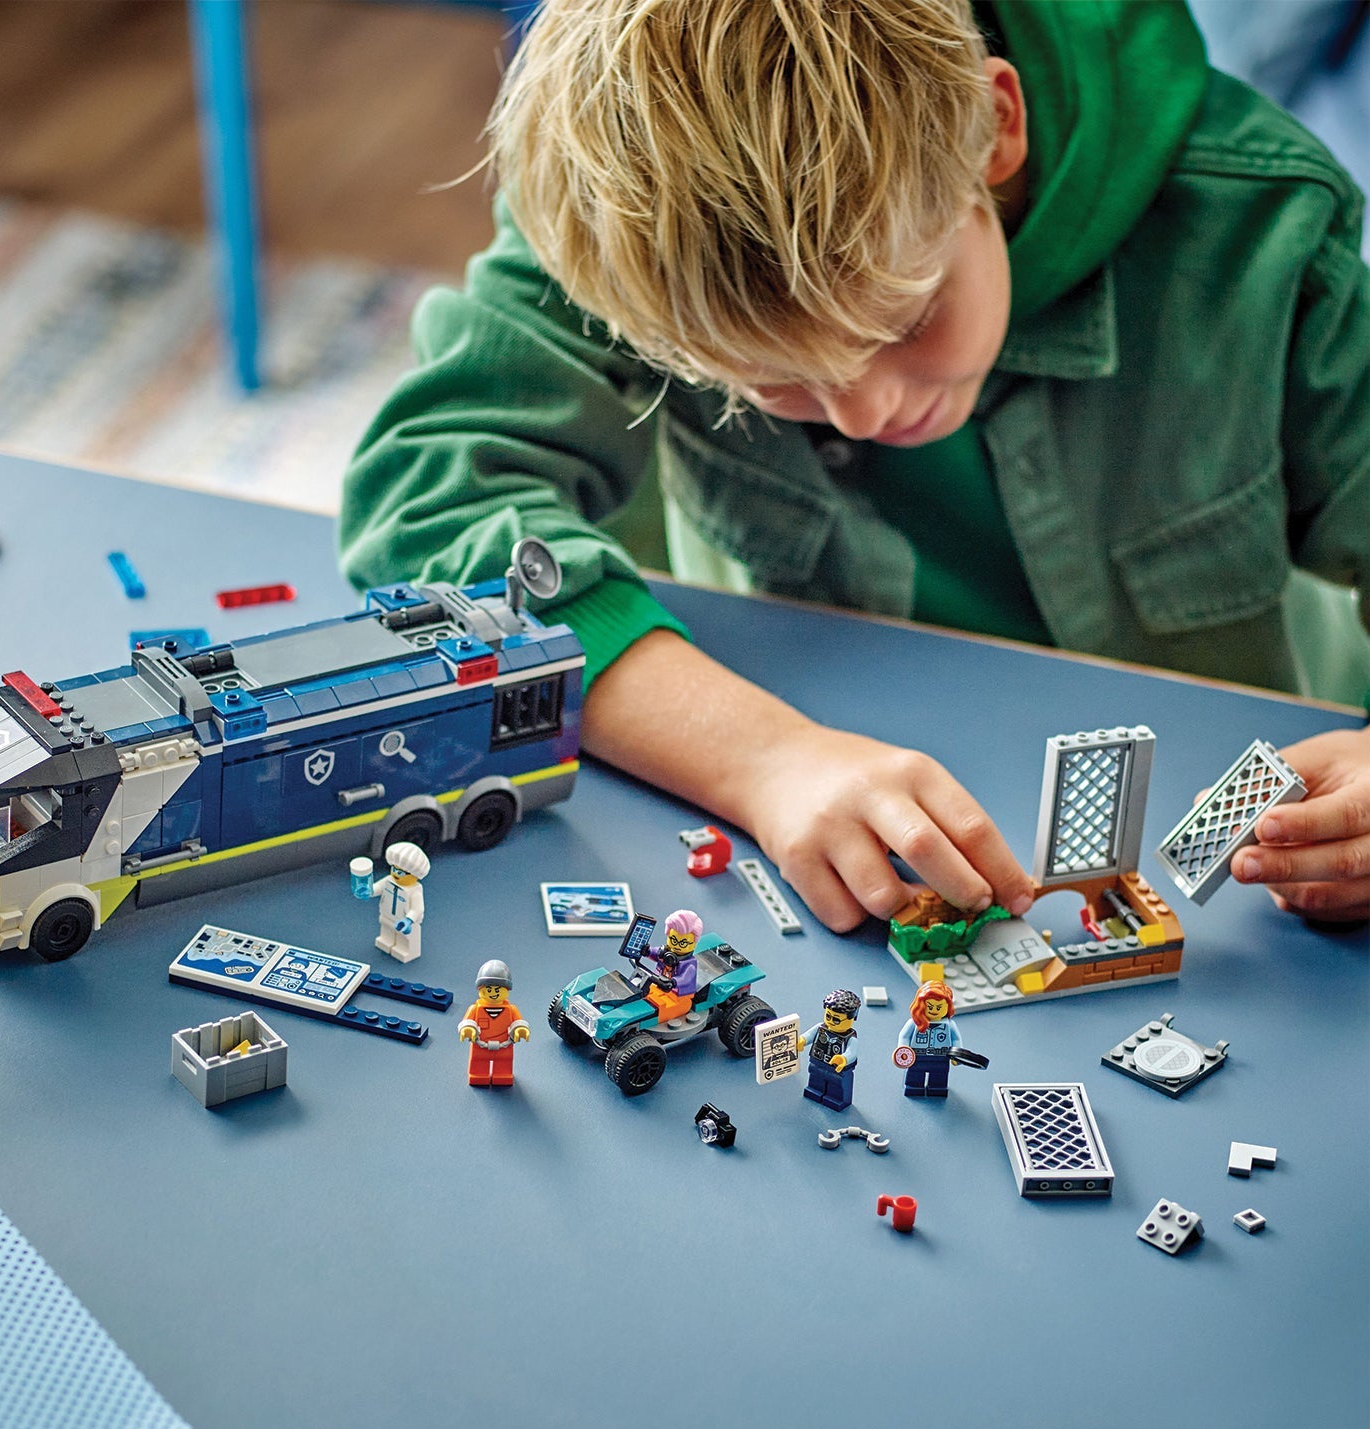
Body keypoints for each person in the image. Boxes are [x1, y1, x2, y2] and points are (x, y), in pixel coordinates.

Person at [341, 0, 1370, 929]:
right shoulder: (630, 218)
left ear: (996, 126)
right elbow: (425, 500)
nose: (866, 411)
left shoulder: (1261, 225)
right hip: (808, 804)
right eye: (772, 381)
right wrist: (763, 759)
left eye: (909, 321)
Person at [460, 958, 530, 1087]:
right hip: (480, 1045)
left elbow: (519, 1021)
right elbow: (467, 1021)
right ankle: (479, 1075)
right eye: (489, 989)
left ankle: (502, 1075)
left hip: (504, 1045)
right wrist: (468, 1028)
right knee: (479, 1063)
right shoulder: (474, 1009)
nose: (493, 993)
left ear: (506, 990)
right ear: (480, 989)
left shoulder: (511, 1010)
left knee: (504, 1063)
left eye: (498, 990)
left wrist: (520, 1029)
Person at [798, 989, 861, 1113]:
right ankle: (815, 1090)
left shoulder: (850, 1038)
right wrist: (802, 1040)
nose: (831, 1021)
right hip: (817, 1062)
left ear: (852, 1017)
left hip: (838, 1069)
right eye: (828, 1016)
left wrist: (844, 1058)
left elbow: (852, 1052)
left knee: (837, 1084)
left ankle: (836, 1099)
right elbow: (809, 1035)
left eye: (836, 1020)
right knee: (815, 1076)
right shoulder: (820, 1027)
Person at [638, 909, 702, 1025]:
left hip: (679, 998)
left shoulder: (689, 964)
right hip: (657, 985)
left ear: (694, 943)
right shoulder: (665, 953)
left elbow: (686, 978)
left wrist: (673, 982)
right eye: (673, 940)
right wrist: (647, 952)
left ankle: (645, 1023)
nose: (677, 945)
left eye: (683, 943)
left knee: (654, 1011)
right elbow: (655, 953)